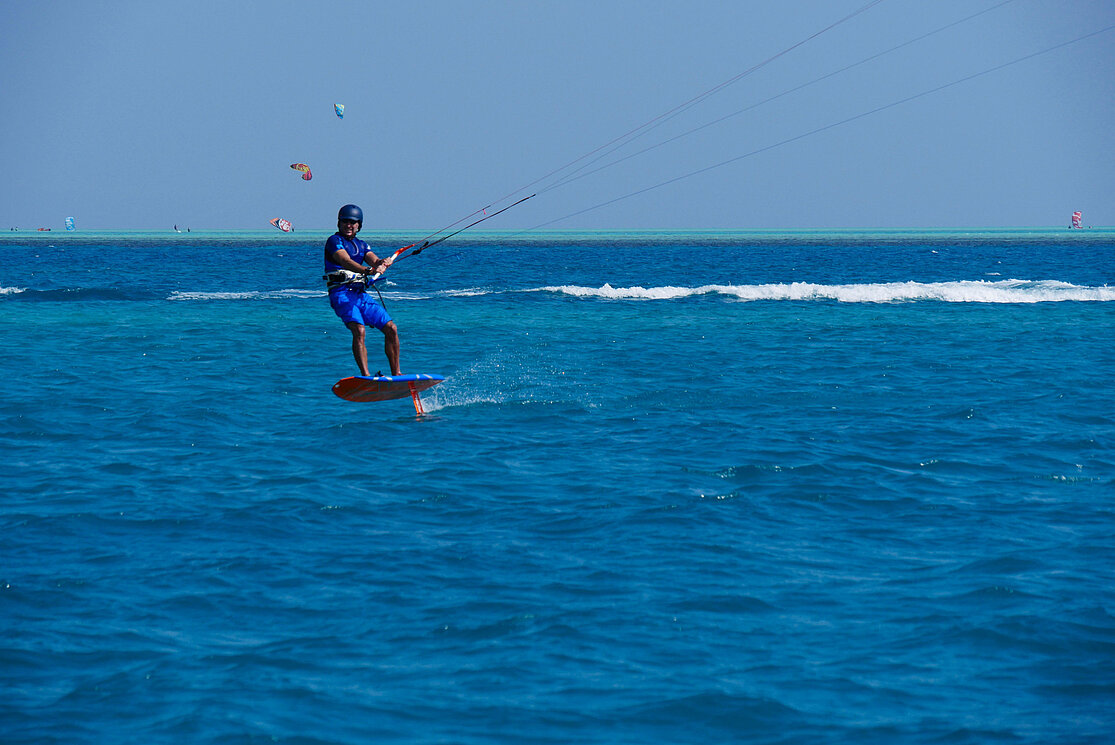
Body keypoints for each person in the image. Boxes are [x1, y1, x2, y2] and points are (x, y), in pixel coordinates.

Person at [324, 204, 401, 376]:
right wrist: (368, 270)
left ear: (359, 225)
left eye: (353, 222)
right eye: (345, 221)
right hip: (341, 294)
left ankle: (397, 373)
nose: (349, 225)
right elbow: (345, 261)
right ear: (339, 223)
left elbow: (374, 260)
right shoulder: (334, 241)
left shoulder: (362, 245)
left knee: (391, 328)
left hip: (360, 295)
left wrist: (383, 262)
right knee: (359, 330)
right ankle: (366, 375)